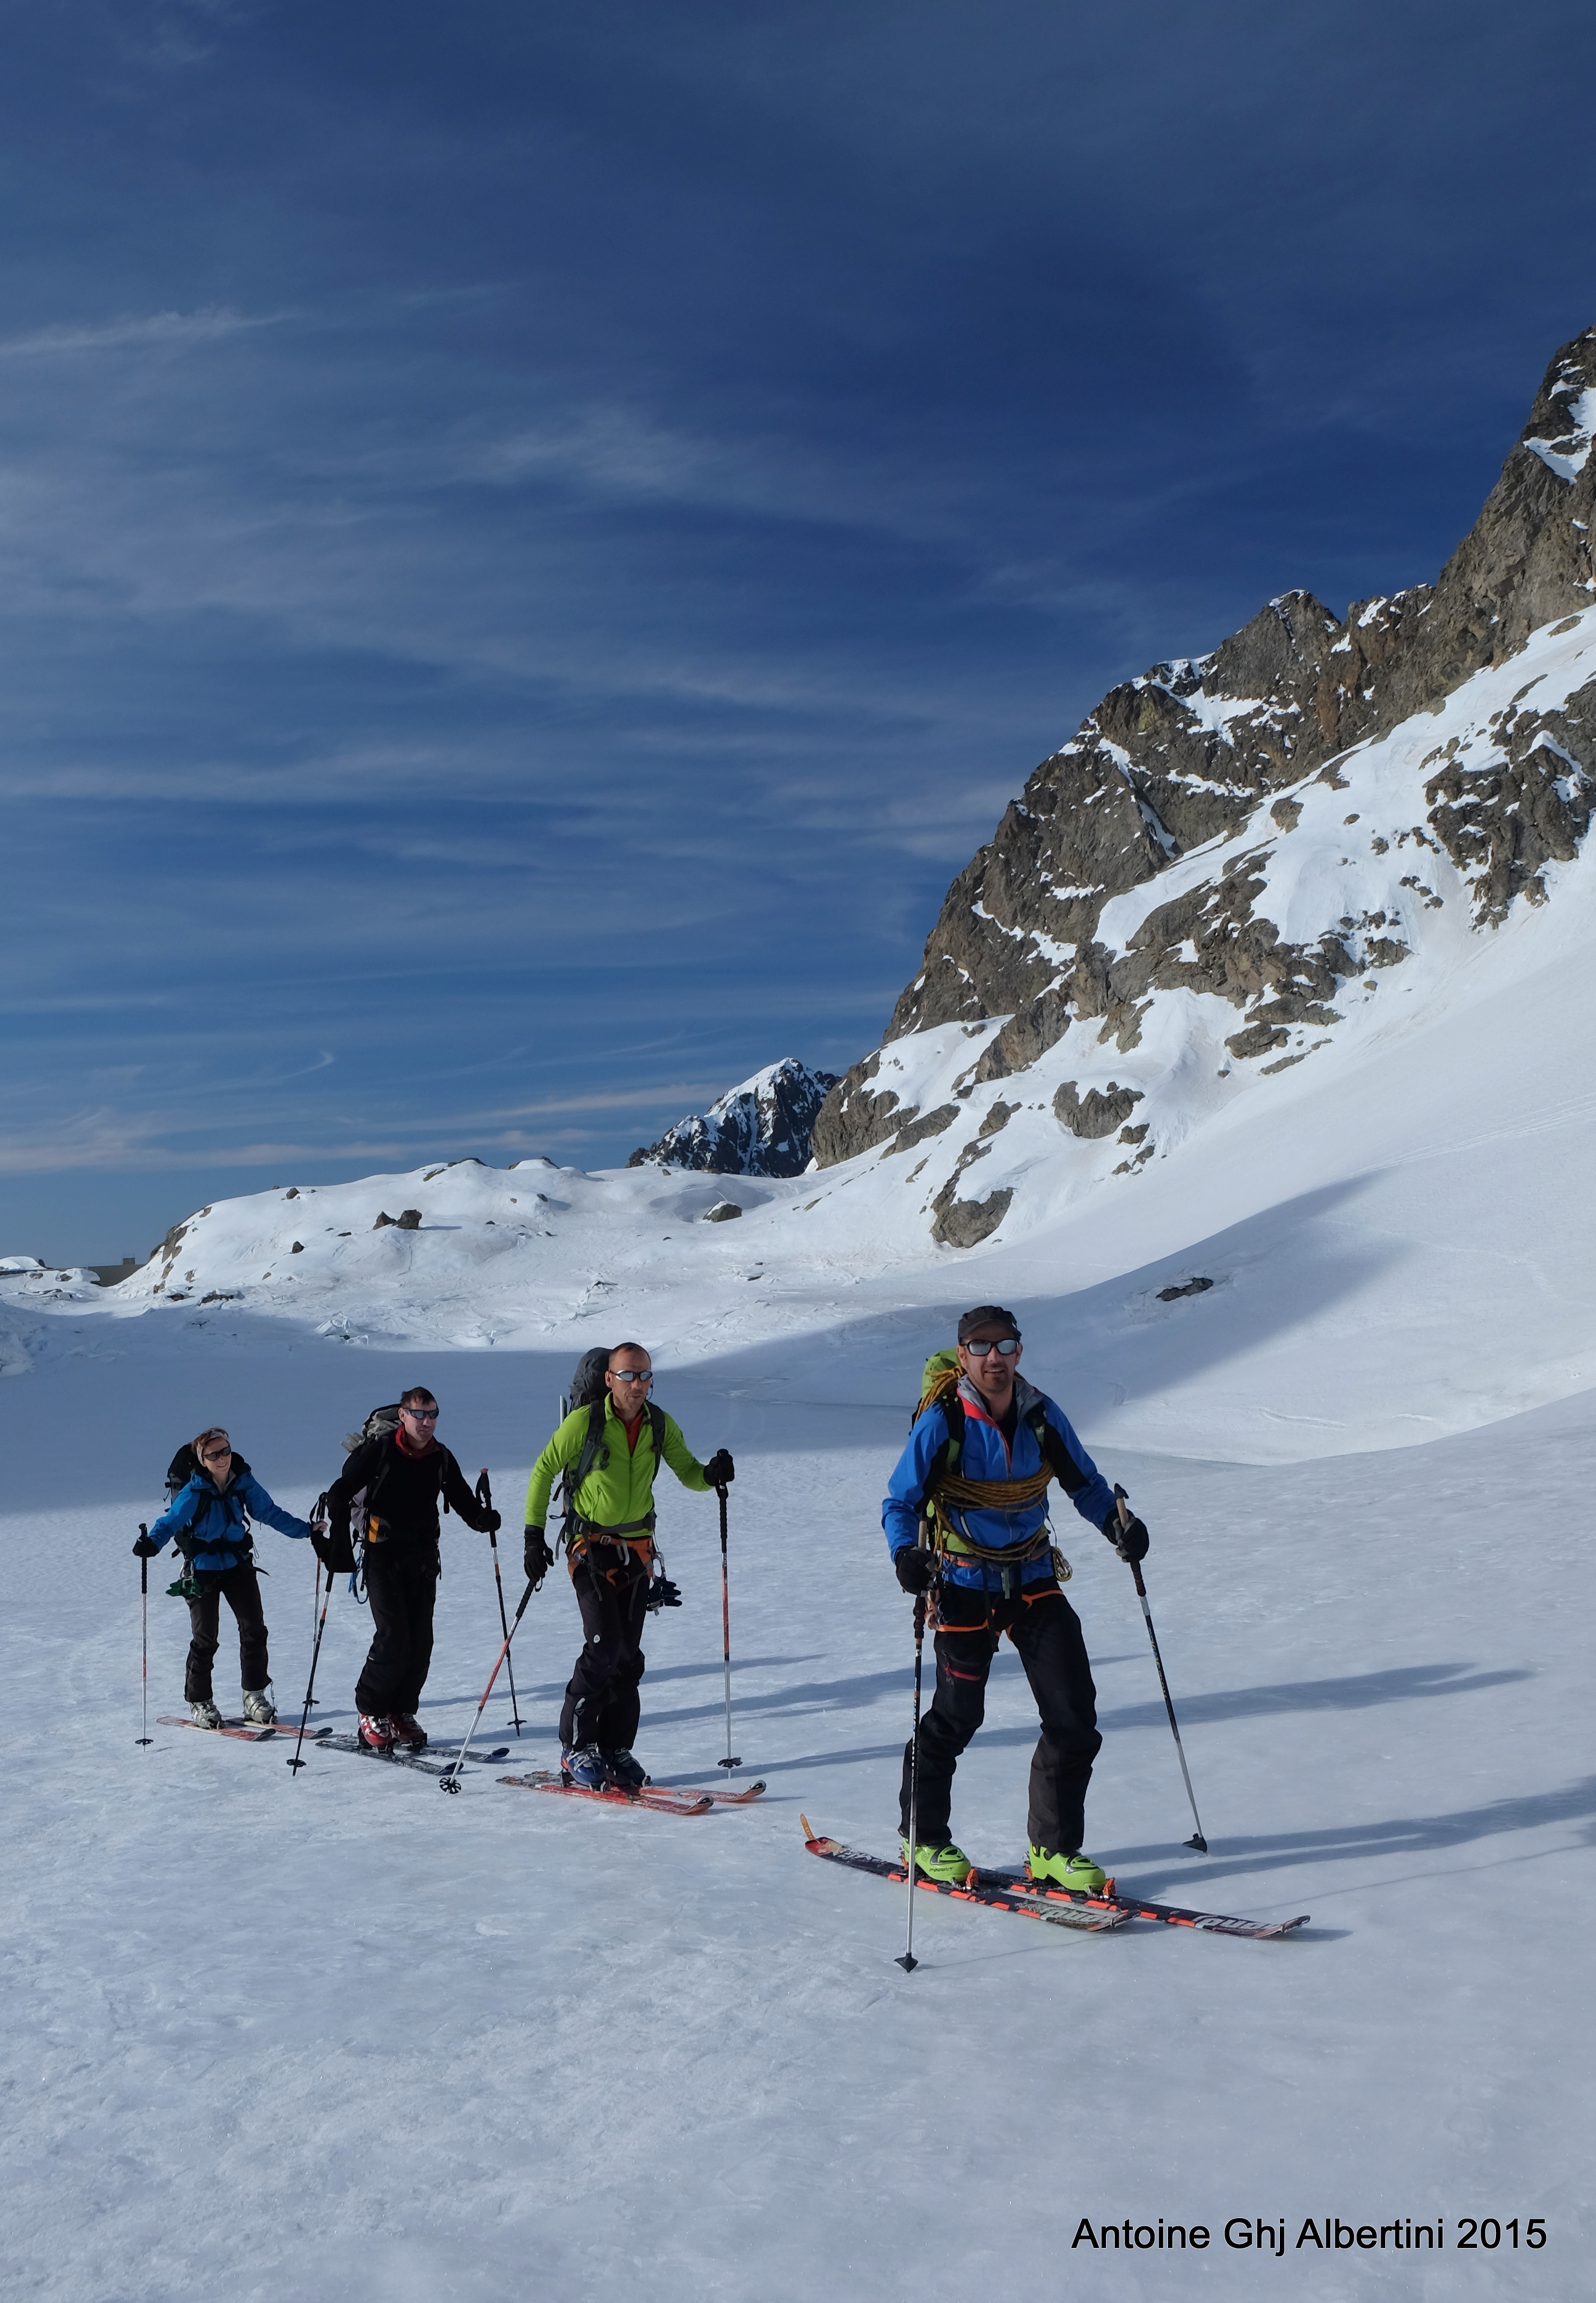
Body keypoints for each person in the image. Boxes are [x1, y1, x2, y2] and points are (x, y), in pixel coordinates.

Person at [881, 1305, 1150, 1891]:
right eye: (980, 1348)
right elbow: (899, 1501)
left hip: (1029, 1576)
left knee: (1073, 1713)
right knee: (956, 1716)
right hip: (958, 1580)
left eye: (1004, 1345)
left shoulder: (1040, 1414)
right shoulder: (945, 1420)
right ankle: (921, 1837)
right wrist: (906, 1553)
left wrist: (1116, 1525)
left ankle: (1052, 1850)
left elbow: (1084, 1483)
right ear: (962, 1356)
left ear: (1019, 1352)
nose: (994, 1358)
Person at [523, 1342, 734, 1791]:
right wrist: (532, 1536)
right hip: (591, 1547)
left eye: (644, 1376)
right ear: (608, 1380)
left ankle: (615, 1749)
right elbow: (543, 1471)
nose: (637, 1385)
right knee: (603, 1645)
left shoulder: (659, 1424)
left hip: (637, 1552)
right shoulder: (585, 1423)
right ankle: (575, 1747)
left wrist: (712, 1475)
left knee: (627, 1657)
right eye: (627, 1376)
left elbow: (688, 1472)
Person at [324, 1386, 501, 1751]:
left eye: (433, 1414)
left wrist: (484, 1520)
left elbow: (463, 1500)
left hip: (422, 1560)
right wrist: (339, 1539)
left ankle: (401, 1712)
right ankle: (370, 1710)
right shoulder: (381, 1451)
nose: (427, 1422)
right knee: (394, 1637)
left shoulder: (440, 1457)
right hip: (382, 1558)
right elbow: (340, 1492)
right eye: (419, 1414)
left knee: (421, 1643)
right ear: (403, 1416)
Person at [135, 1428, 316, 1728]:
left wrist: (307, 1531)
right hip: (202, 1568)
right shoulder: (194, 1492)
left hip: (237, 1564)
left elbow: (269, 1513)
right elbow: (170, 1522)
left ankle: (254, 1696)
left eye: (226, 1451)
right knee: (206, 1638)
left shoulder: (243, 1482)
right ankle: (200, 1701)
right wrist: (151, 1543)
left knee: (254, 1629)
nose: (223, 1458)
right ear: (202, 1460)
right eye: (214, 1454)